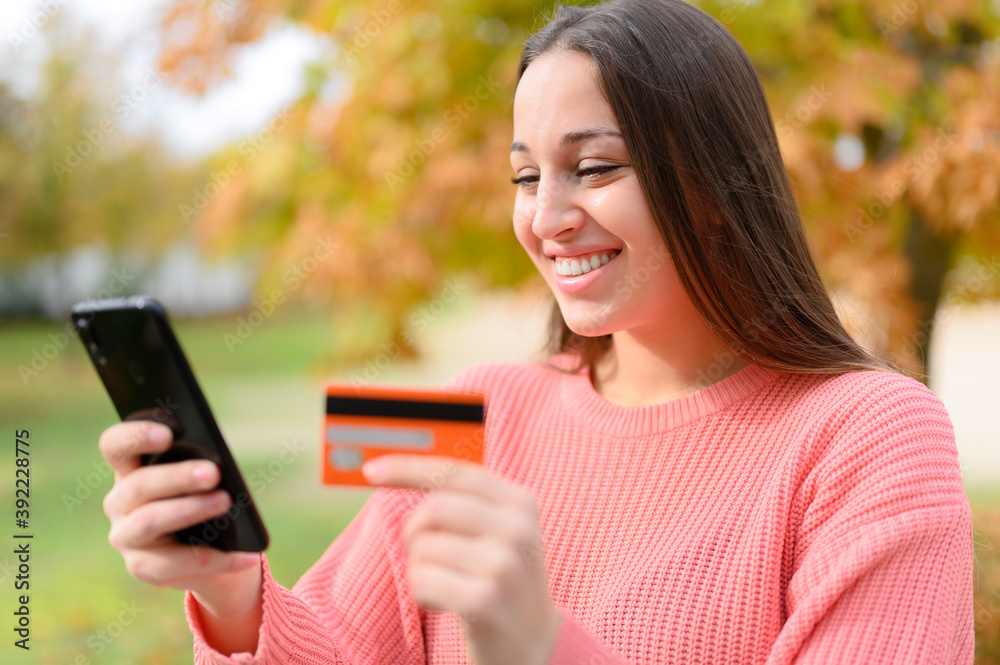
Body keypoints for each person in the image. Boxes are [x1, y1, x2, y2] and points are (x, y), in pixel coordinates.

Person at [97, 1, 974, 663]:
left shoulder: (873, 434)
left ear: (712, 183)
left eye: (592, 168)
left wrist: (541, 644)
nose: (547, 219)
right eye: (525, 177)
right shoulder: (480, 408)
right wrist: (232, 590)